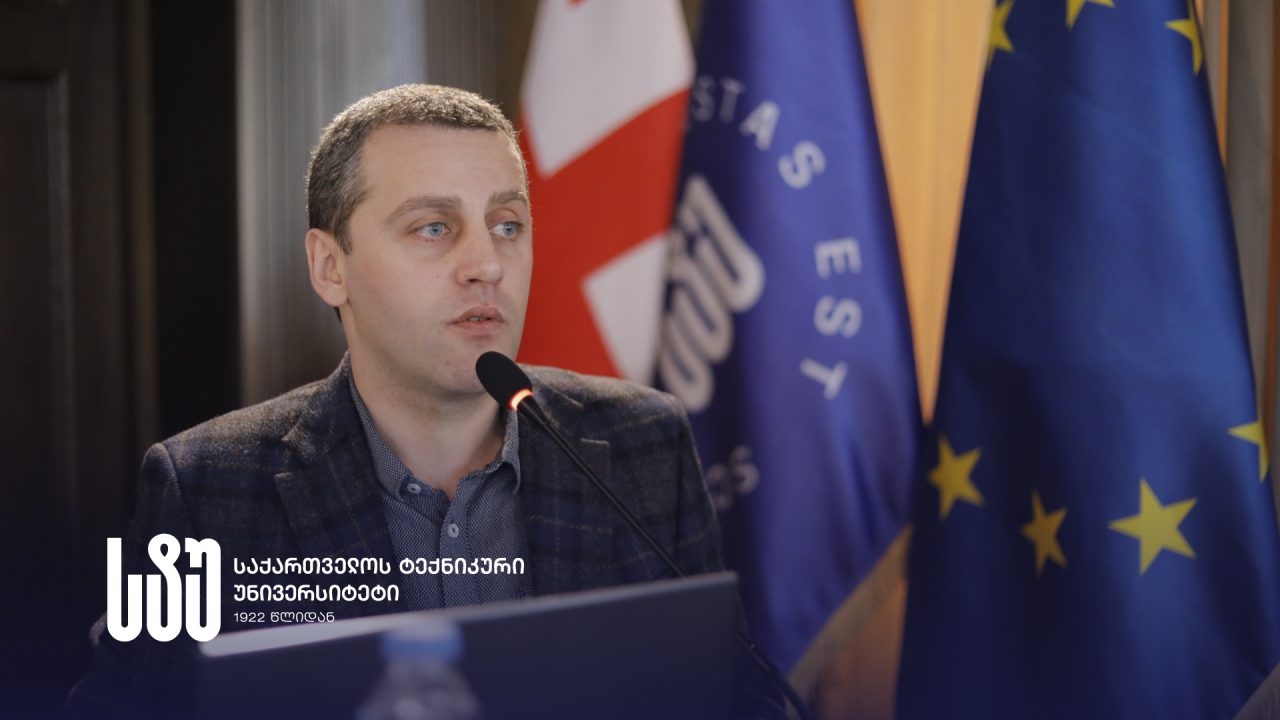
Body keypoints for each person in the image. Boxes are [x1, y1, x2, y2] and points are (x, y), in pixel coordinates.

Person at [66, 84, 786, 719]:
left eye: (507, 225)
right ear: (330, 266)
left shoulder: (644, 441)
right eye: (433, 227)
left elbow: (736, 696)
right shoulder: (204, 487)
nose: (487, 264)